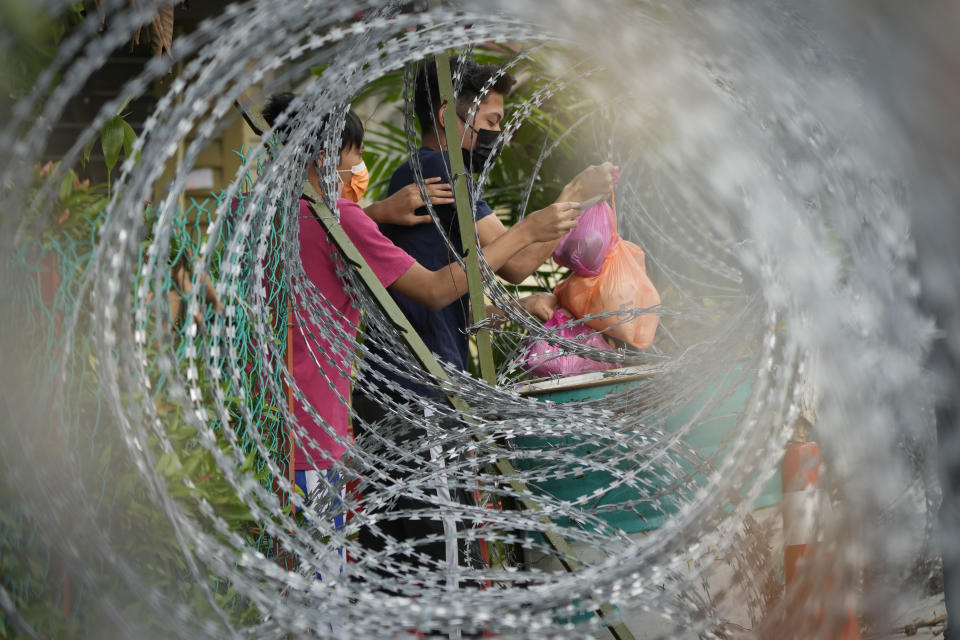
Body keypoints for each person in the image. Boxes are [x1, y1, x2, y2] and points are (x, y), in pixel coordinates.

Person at [257, 92, 583, 578]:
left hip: (266, 421)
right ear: (326, 157)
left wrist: (378, 213)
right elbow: (434, 290)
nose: (356, 175)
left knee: (286, 581)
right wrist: (528, 228)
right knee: (323, 589)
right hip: (316, 434)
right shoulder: (341, 219)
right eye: (352, 163)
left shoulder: (264, 215)